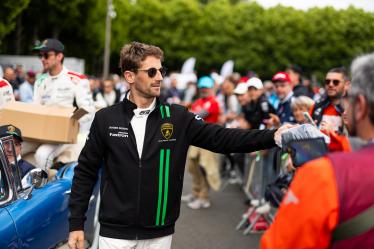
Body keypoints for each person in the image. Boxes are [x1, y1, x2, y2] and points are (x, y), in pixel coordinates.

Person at [67, 41, 292, 249]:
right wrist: (76, 222)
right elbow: (86, 171)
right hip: (114, 233)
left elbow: (223, 138)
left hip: (159, 233)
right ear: (130, 76)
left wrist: (272, 136)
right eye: (151, 71)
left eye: (161, 71)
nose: (159, 77)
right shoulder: (106, 118)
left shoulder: (177, 117)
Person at [261, 53, 374, 249]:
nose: (345, 109)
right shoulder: (319, 107)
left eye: (350, 100)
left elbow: (279, 244)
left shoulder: (325, 173)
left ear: (361, 106)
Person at [27, 38, 95, 169]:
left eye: (46, 55)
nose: (42, 59)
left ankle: (43, 188)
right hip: (41, 131)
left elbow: (88, 110)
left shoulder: (76, 79)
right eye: (40, 55)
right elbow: (35, 109)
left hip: (66, 134)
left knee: (42, 155)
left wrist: (69, 122)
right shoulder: (40, 80)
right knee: (8, 146)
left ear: (59, 56)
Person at [184, 76, 221, 209]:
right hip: (196, 139)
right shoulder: (199, 101)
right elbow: (192, 115)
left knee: (204, 167)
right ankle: (196, 192)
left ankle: (203, 197)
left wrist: (187, 113)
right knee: (192, 165)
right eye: (202, 87)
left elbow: (198, 115)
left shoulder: (213, 102)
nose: (204, 89)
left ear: (212, 88)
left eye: (206, 87)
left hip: (208, 139)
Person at [311, 67, 351, 151]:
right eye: (327, 81)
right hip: (318, 154)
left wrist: (332, 133)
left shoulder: (353, 108)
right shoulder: (317, 106)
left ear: (347, 85)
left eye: (335, 82)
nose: (330, 84)